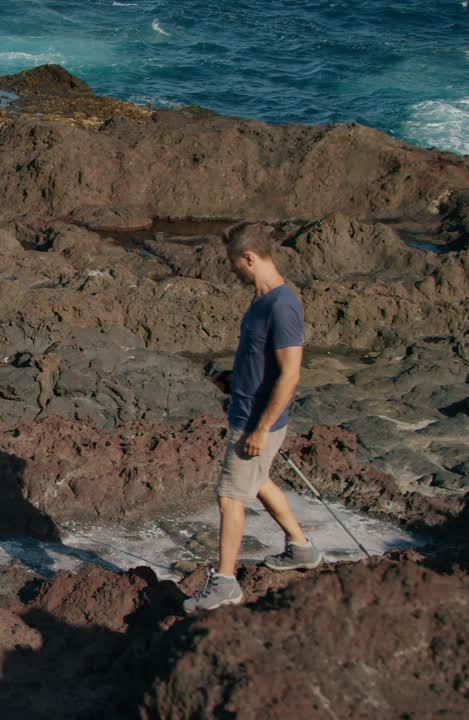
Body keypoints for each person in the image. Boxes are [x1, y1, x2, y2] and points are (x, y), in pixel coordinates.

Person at [183, 222, 324, 614]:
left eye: (233, 262)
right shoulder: (262, 301)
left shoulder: (282, 306)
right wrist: (232, 381)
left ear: (249, 258)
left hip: (255, 421)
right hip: (247, 410)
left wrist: (260, 430)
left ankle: (226, 583)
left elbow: (290, 374)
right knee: (258, 480)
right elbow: (260, 362)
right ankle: (301, 547)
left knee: (230, 496)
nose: (231, 269)